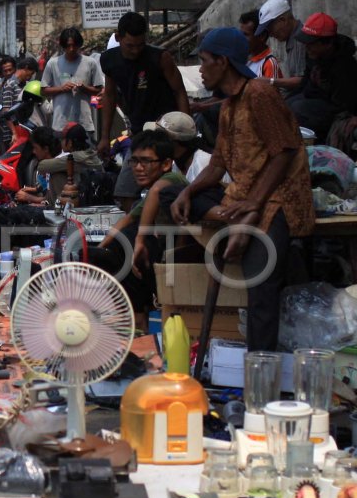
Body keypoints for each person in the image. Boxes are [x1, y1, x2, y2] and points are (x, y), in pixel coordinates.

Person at [171, 27, 314, 352]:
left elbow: (285, 151)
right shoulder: (229, 106)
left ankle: (260, 373)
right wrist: (188, 192)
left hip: (276, 200)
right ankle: (236, 222)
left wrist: (251, 207)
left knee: (261, 289)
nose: (201, 69)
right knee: (171, 195)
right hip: (241, 195)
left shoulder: (260, 93)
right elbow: (217, 166)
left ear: (223, 62)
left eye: (205, 61)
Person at [98, 12, 191, 210]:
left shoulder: (160, 57)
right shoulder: (109, 60)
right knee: (124, 193)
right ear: (119, 37)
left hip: (167, 132)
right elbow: (110, 95)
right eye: (130, 45)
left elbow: (179, 91)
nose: (135, 51)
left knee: (168, 191)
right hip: (140, 133)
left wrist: (186, 130)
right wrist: (104, 136)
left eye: (140, 45)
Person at [90, 130, 187, 315]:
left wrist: (139, 241)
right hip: (164, 256)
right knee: (119, 244)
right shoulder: (150, 192)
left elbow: (157, 191)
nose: (139, 168)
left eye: (147, 161)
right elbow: (128, 218)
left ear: (166, 163)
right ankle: (137, 316)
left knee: (129, 242)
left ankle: (139, 313)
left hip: (180, 258)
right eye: (134, 161)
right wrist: (98, 251)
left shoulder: (172, 179)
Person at [286, 13, 357, 143]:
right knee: (285, 104)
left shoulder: (344, 66)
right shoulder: (315, 56)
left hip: (341, 110)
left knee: (297, 109)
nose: (307, 48)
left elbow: (344, 107)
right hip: (317, 101)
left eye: (311, 44)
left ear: (327, 44)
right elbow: (305, 86)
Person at [41, 27, 103, 136]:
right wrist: (61, 88)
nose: (71, 49)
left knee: (85, 153)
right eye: (68, 46)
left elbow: (99, 89)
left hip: (84, 124)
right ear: (63, 46)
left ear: (79, 45)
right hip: (60, 124)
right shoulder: (53, 63)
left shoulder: (90, 63)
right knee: (62, 153)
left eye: (74, 45)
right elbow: (43, 91)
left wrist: (84, 88)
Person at [37, 122, 104, 203]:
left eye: (63, 139)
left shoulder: (74, 158)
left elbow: (42, 166)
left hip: (81, 200)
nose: (60, 142)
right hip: (94, 197)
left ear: (70, 143)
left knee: (55, 173)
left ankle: (59, 207)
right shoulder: (91, 154)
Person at [143, 111, 216, 183]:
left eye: (159, 137)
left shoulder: (204, 164)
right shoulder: (176, 161)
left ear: (173, 141)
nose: (155, 142)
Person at [254, 0, 307, 92]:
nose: (270, 34)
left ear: (283, 20)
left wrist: (270, 81)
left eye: (271, 28)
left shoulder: (300, 38)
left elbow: (302, 81)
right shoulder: (292, 38)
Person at [0, 55, 38, 155]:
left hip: (22, 132)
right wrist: (14, 133)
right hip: (11, 135)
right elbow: (6, 111)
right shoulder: (10, 84)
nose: (31, 76)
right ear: (26, 68)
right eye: (31, 73)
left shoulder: (26, 85)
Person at [239, 10, 281, 80]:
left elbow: (271, 90)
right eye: (241, 34)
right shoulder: (244, 61)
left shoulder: (269, 63)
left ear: (262, 36)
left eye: (246, 35)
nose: (241, 38)